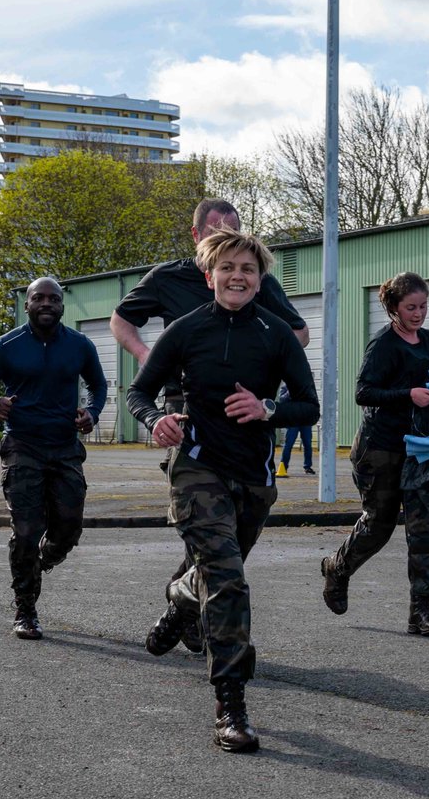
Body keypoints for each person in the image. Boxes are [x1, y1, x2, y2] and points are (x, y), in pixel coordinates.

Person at [127, 228, 318, 753]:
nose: (239, 276)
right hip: (196, 468)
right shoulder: (187, 331)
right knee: (229, 581)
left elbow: (309, 405)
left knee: (215, 575)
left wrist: (268, 409)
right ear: (210, 275)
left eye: (249, 270)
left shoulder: (276, 334)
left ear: (260, 280)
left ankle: (181, 597)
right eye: (229, 268)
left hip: (253, 478)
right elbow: (139, 392)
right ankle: (230, 705)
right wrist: (156, 420)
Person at [111, 198, 310, 653]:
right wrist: (152, 361)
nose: (235, 271)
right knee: (206, 521)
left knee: (223, 542)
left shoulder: (258, 280)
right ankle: (218, 651)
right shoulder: (168, 279)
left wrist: (267, 359)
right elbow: (121, 321)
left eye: (233, 228)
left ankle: (184, 598)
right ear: (198, 239)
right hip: (190, 413)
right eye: (216, 231)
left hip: (248, 422)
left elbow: (298, 333)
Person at [320, 272, 429, 637]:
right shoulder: (383, 345)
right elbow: (363, 392)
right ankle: (336, 568)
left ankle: (422, 611)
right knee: (378, 526)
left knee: (423, 529)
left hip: (420, 450)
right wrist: (408, 394)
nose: (419, 314)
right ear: (393, 308)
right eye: (411, 307)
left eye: (423, 306)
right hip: (380, 448)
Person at [0, 278, 107, 640]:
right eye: (38, 298)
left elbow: (99, 385)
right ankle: (25, 608)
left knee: (69, 528)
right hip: (22, 445)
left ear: (62, 306)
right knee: (27, 530)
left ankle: (40, 562)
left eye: (54, 299)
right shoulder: (6, 346)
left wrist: (91, 412)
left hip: (64, 447)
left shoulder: (79, 345)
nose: (47, 303)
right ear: (27, 304)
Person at [275, 382, 314, 477]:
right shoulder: (286, 386)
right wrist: (290, 392)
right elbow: (281, 399)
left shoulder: (306, 386)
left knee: (308, 444)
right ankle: (283, 466)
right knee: (288, 444)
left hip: (305, 420)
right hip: (293, 420)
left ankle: (307, 466)